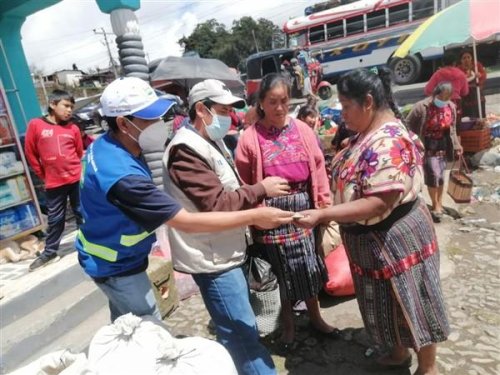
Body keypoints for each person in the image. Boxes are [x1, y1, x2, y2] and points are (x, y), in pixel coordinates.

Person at [76, 77, 294, 324]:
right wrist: (256, 215)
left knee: (125, 325)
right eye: (150, 119)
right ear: (123, 124)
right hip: (116, 263)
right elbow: (187, 221)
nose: (160, 124)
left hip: (117, 251)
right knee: (148, 330)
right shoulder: (124, 175)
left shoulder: (108, 146)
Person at [296, 68, 449, 375]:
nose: (342, 115)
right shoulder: (368, 133)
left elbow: (379, 202)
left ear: (367, 102)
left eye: (346, 106)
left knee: (413, 302)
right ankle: (398, 351)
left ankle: (427, 367)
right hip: (373, 242)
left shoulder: (388, 141)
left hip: (395, 238)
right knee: (386, 302)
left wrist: (324, 214)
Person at [163, 79, 290, 375]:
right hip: (213, 261)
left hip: (226, 250)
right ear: (201, 109)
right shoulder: (185, 150)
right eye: (222, 109)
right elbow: (217, 203)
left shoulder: (210, 140)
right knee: (241, 335)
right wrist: (260, 189)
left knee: (240, 327)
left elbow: (228, 185)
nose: (229, 117)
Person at [235, 73, 338, 351]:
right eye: (272, 102)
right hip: (271, 213)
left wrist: (323, 204)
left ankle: (316, 316)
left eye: (284, 101)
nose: (279, 108)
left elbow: (318, 167)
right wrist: (258, 205)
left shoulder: (303, 130)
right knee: (280, 271)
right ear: (261, 103)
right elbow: (245, 180)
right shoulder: (249, 138)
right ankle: (288, 324)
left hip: (303, 208)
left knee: (308, 265)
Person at [25, 90, 83, 271]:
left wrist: (75, 171)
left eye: (71, 107)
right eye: (66, 106)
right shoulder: (36, 125)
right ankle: (50, 252)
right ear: (52, 104)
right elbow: (31, 153)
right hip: (54, 182)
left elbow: (79, 152)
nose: (69, 111)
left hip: (75, 178)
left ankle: (90, 241)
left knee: (82, 211)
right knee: (56, 218)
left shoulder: (72, 128)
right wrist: (43, 175)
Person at [407, 82, 462, 223]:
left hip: (443, 144)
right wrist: (413, 142)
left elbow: (453, 128)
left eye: (448, 97)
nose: (444, 101)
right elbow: (407, 124)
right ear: (435, 94)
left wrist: (457, 144)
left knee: (442, 174)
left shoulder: (451, 107)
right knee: (433, 174)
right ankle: (435, 204)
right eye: (442, 97)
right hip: (427, 145)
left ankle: (440, 202)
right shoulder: (421, 107)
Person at [425, 51, 469, 120]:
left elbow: (428, 90)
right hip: (456, 103)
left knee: (443, 124)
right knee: (456, 125)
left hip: (441, 102)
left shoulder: (438, 74)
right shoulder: (461, 74)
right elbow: (465, 92)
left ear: (443, 63)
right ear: (454, 62)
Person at [458, 49, 487, 118]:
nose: (467, 60)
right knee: (468, 118)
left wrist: (480, 75)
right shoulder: (458, 69)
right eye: (464, 58)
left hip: (478, 95)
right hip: (465, 98)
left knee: (481, 116)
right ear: (461, 60)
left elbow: (484, 75)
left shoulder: (477, 65)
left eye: (468, 57)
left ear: (472, 58)